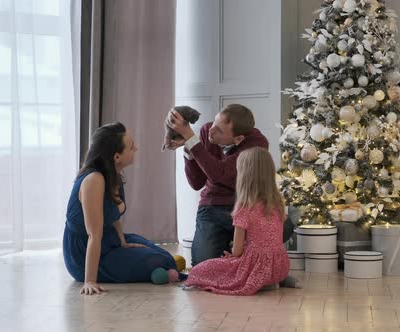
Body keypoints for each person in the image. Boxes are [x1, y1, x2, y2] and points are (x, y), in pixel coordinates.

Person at [63, 122, 176, 295]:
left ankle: (142, 264)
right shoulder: (94, 180)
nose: (136, 148)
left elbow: (112, 215)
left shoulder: (113, 174)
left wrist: (122, 240)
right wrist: (90, 281)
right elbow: (94, 235)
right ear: (116, 156)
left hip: (109, 239)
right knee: (158, 260)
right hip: (85, 252)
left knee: (165, 257)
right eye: (131, 147)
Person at [165, 104, 269, 266]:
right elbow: (196, 182)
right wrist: (188, 149)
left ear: (238, 139)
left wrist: (193, 141)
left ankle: (236, 249)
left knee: (285, 227)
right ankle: (230, 247)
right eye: (214, 123)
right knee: (202, 264)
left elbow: (220, 174)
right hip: (213, 208)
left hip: (247, 209)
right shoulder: (207, 131)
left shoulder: (256, 143)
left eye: (219, 130)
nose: (211, 130)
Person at [183, 147, 290, 295]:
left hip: (255, 268)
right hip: (279, 267)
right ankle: (272, 280)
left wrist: (233, 255)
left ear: (244, 176)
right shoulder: (277, 203)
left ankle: (259, 280)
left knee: (201, 269)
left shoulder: (245, 206)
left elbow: (237, 251)